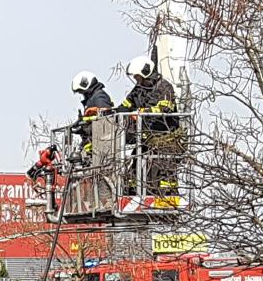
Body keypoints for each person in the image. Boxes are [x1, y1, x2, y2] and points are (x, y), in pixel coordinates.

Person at [120, 56, 182, 198]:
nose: (137, 80)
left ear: (146, 72)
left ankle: (167, 195)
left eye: (138, 77)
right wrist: (113, 113)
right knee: (135, 168)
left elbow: (164, 109)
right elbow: (127, 105)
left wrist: (142, 113)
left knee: (162, 171)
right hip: (147, 137)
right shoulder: (140, 89)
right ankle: (134, 194)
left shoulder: (164, 87)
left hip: (165, 137)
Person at [70, 70, 115, 159]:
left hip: (100, 145)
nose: (81, 93)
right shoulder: (91, 98)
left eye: (81, 91)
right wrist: (82, 127)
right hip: (93, 142)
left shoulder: (99, 96)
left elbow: (104, 119)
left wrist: (85, 126)